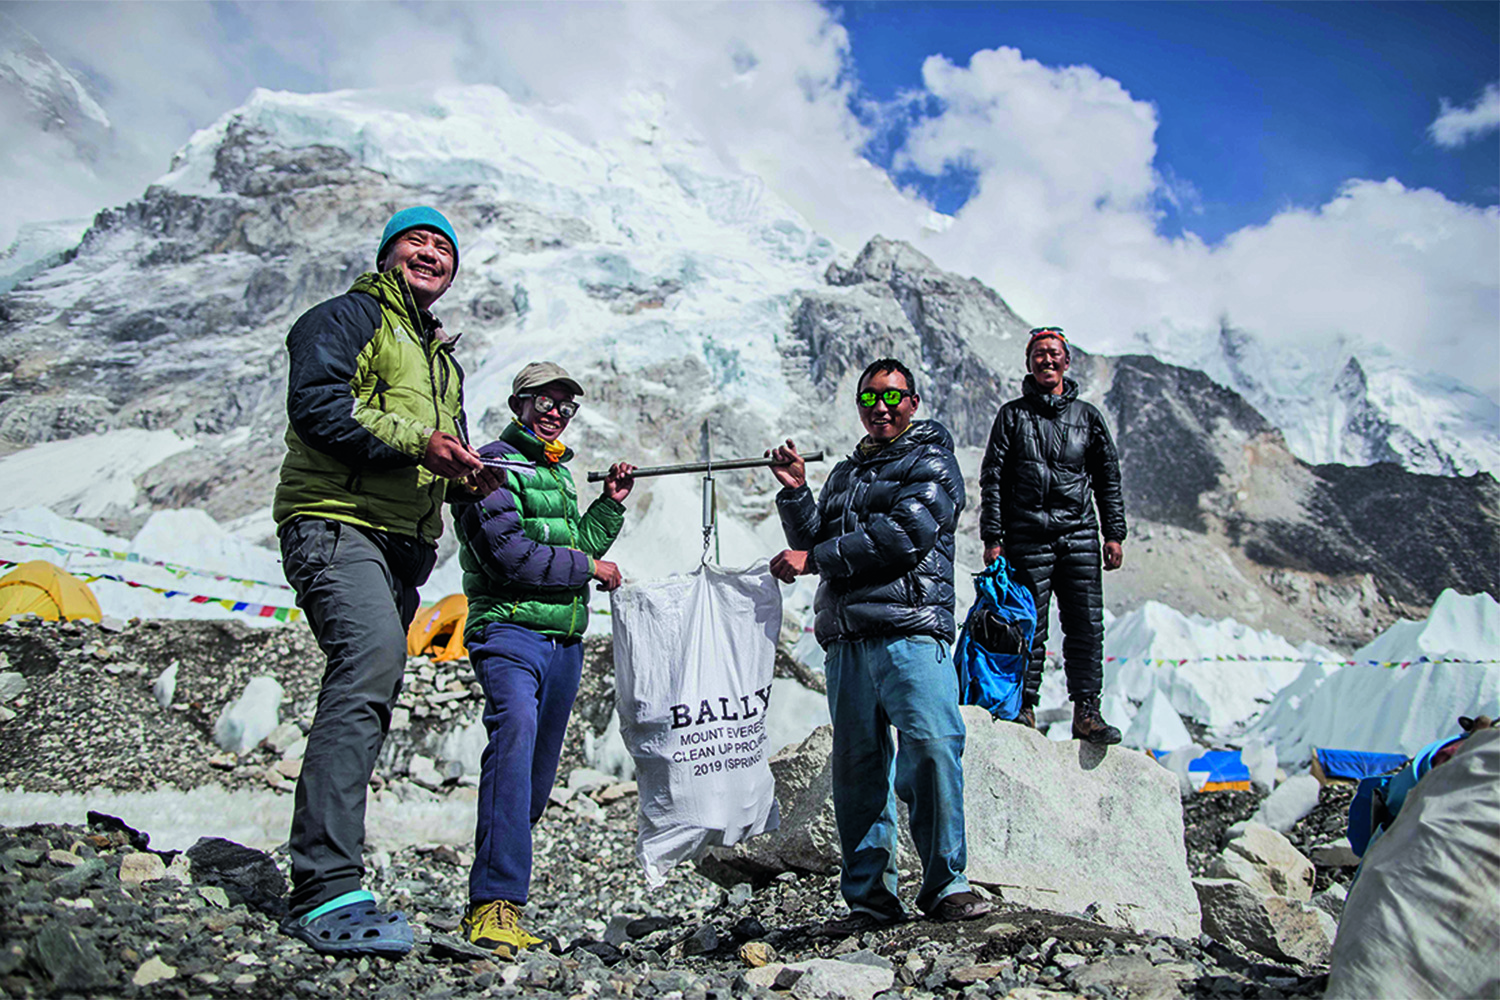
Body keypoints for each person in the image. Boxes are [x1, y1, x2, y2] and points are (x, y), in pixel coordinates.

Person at [273, 206, 502, 956]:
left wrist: (465, 476)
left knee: (370, 682)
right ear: (386, 253)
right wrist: (420, 444)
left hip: (401, 545)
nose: (431, 252)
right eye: (416, 240)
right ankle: (325, 887)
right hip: (335, 520)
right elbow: (319, 408)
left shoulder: (440, 360)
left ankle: (328, 869)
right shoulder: (348, 316)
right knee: (368, 665)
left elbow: (437, 448)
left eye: (444, 247)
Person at [766, 358, 992, 928]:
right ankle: (870, 900)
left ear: (913, 402)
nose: (881, 407)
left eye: (892, 396)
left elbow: (903, 535)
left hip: (910, 630)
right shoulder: (846, 473)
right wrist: (797, 493)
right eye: (869, 398)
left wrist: (813, 558)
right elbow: (817, 540)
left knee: (933, 750)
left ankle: (947, 884)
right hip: (847, 639)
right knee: (857, 769)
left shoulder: (932, 461)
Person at [453, 362, 636, 959]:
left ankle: (498, 897)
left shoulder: (555, 473)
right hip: (509, 630)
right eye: (545, 401)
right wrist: (590, 568)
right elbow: (509, 554)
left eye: (565, 405)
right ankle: (494, 903)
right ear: (519, 405)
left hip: (564, 641)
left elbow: (573, 546)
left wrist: (608, 507)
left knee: (534, 777)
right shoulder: (492, 464)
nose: (556, 412)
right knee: (513, 744)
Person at [978, 327, 1126, 744]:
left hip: (1079, 534)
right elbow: (993, 478)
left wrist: (1114, 534)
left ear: (1066, 361)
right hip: (1027, 536)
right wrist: (993, 538)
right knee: (1029, 625)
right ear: (1029, 363)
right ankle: (1023, 707)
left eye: (1053, 353)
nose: (1047, 360)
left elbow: (1107, 478)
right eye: (1039, 354)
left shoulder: (1088, 417)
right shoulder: (1011, 415)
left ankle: (1087, 712)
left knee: (1086, 624)